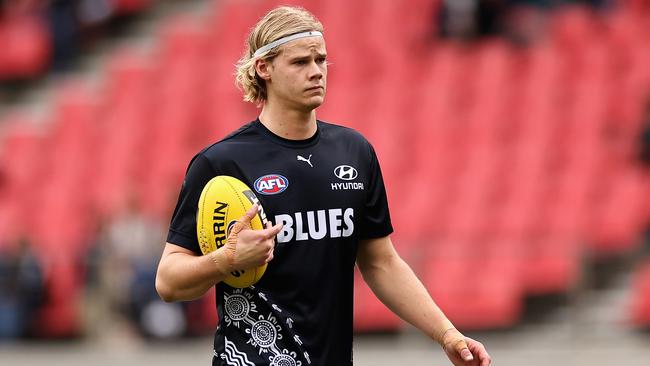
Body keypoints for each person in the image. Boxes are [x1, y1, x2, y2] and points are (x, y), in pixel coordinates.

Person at [155, 6, 491, 366]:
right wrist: (227, 260)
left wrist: (447, 333)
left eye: (321, 60)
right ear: (263, 68)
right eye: (300, 62)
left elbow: (381, 264)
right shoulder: (222, 164)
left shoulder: (354, 151)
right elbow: (169, 281)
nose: (316, 72)